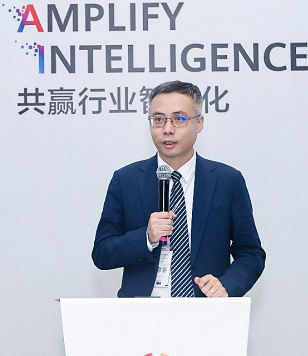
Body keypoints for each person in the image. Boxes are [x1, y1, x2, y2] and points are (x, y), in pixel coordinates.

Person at [92, 80, 265, 298]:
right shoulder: (126, 180)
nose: (167, 129)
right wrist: (146, 237)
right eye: (158, 119)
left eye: (179, 119)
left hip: (204, 309)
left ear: (199, 123)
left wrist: (226, 285)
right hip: (141, 310)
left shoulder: (227, 180)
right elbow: (102, 253)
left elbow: (251, 253)